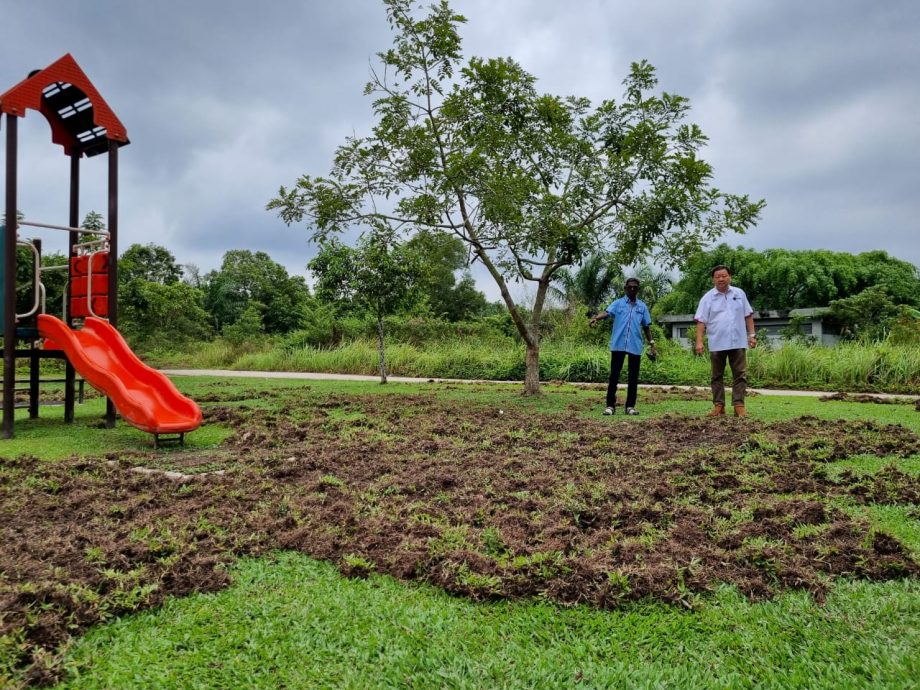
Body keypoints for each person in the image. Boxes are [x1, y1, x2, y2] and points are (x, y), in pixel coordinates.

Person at [694, 265, 756, 417]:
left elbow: (748, 315)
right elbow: (701, 321)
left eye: (724, 276)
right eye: (717, 276)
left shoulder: (739, 293)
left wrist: (752, 335)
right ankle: (719, 406)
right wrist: (699, 342)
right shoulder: (707, 298)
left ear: (730, 277)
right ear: (713, 279)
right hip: (717, 342)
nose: (721, 279)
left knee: (740, 375)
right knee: (716, 376)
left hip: (738, 341)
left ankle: (739, 405)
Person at [589, 278, 657, 416]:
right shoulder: (618, 303)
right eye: (630, 287)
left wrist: (652, 345)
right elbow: (607, 313)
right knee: (614, 375)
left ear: (638, 289)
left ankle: (630, 406)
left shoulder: (642, 307)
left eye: (635, 287)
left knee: (633, 377)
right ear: (625, 288)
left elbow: (646, 327)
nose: (632, 289)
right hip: (618, 344)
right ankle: (610, 406)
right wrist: (596, 318)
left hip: (635, 345)